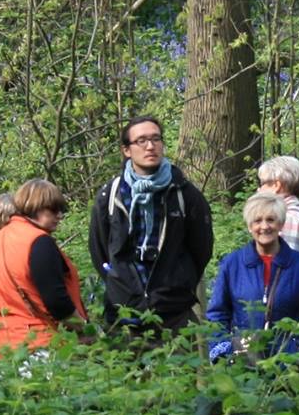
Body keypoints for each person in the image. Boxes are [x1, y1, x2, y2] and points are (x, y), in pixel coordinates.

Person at [89, 115, 214, 332]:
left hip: (173, 310)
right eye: (141, 141)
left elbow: (201, 249)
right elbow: (100, 249)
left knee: (182, 365)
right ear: (126, 150)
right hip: (124, 312)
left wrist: (181, 281)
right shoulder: (110, 195)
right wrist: (118, 283)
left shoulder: (184, 193)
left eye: (156, 139)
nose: (150, 146)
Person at [206, 192, 299, 362]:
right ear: (249, 226)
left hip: (289, 366)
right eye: (257, 220)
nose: (264, 226)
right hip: (242, 363)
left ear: (281, 224)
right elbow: (217, 314)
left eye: (271, 220)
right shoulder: (232, 264)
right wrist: (225, 350)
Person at [0, 178, 88, 355]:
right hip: (41, 344)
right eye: (53, 209)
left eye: (61, 209)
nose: (59, 215)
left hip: (4, 345)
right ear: (35, 206)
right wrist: (85, 330)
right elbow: (56, 301)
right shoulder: (38, 241)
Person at [256, 156, 299, 266]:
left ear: (276, 186)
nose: (259, 190)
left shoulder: (289, 218)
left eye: (262, 183)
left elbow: (282, 269)